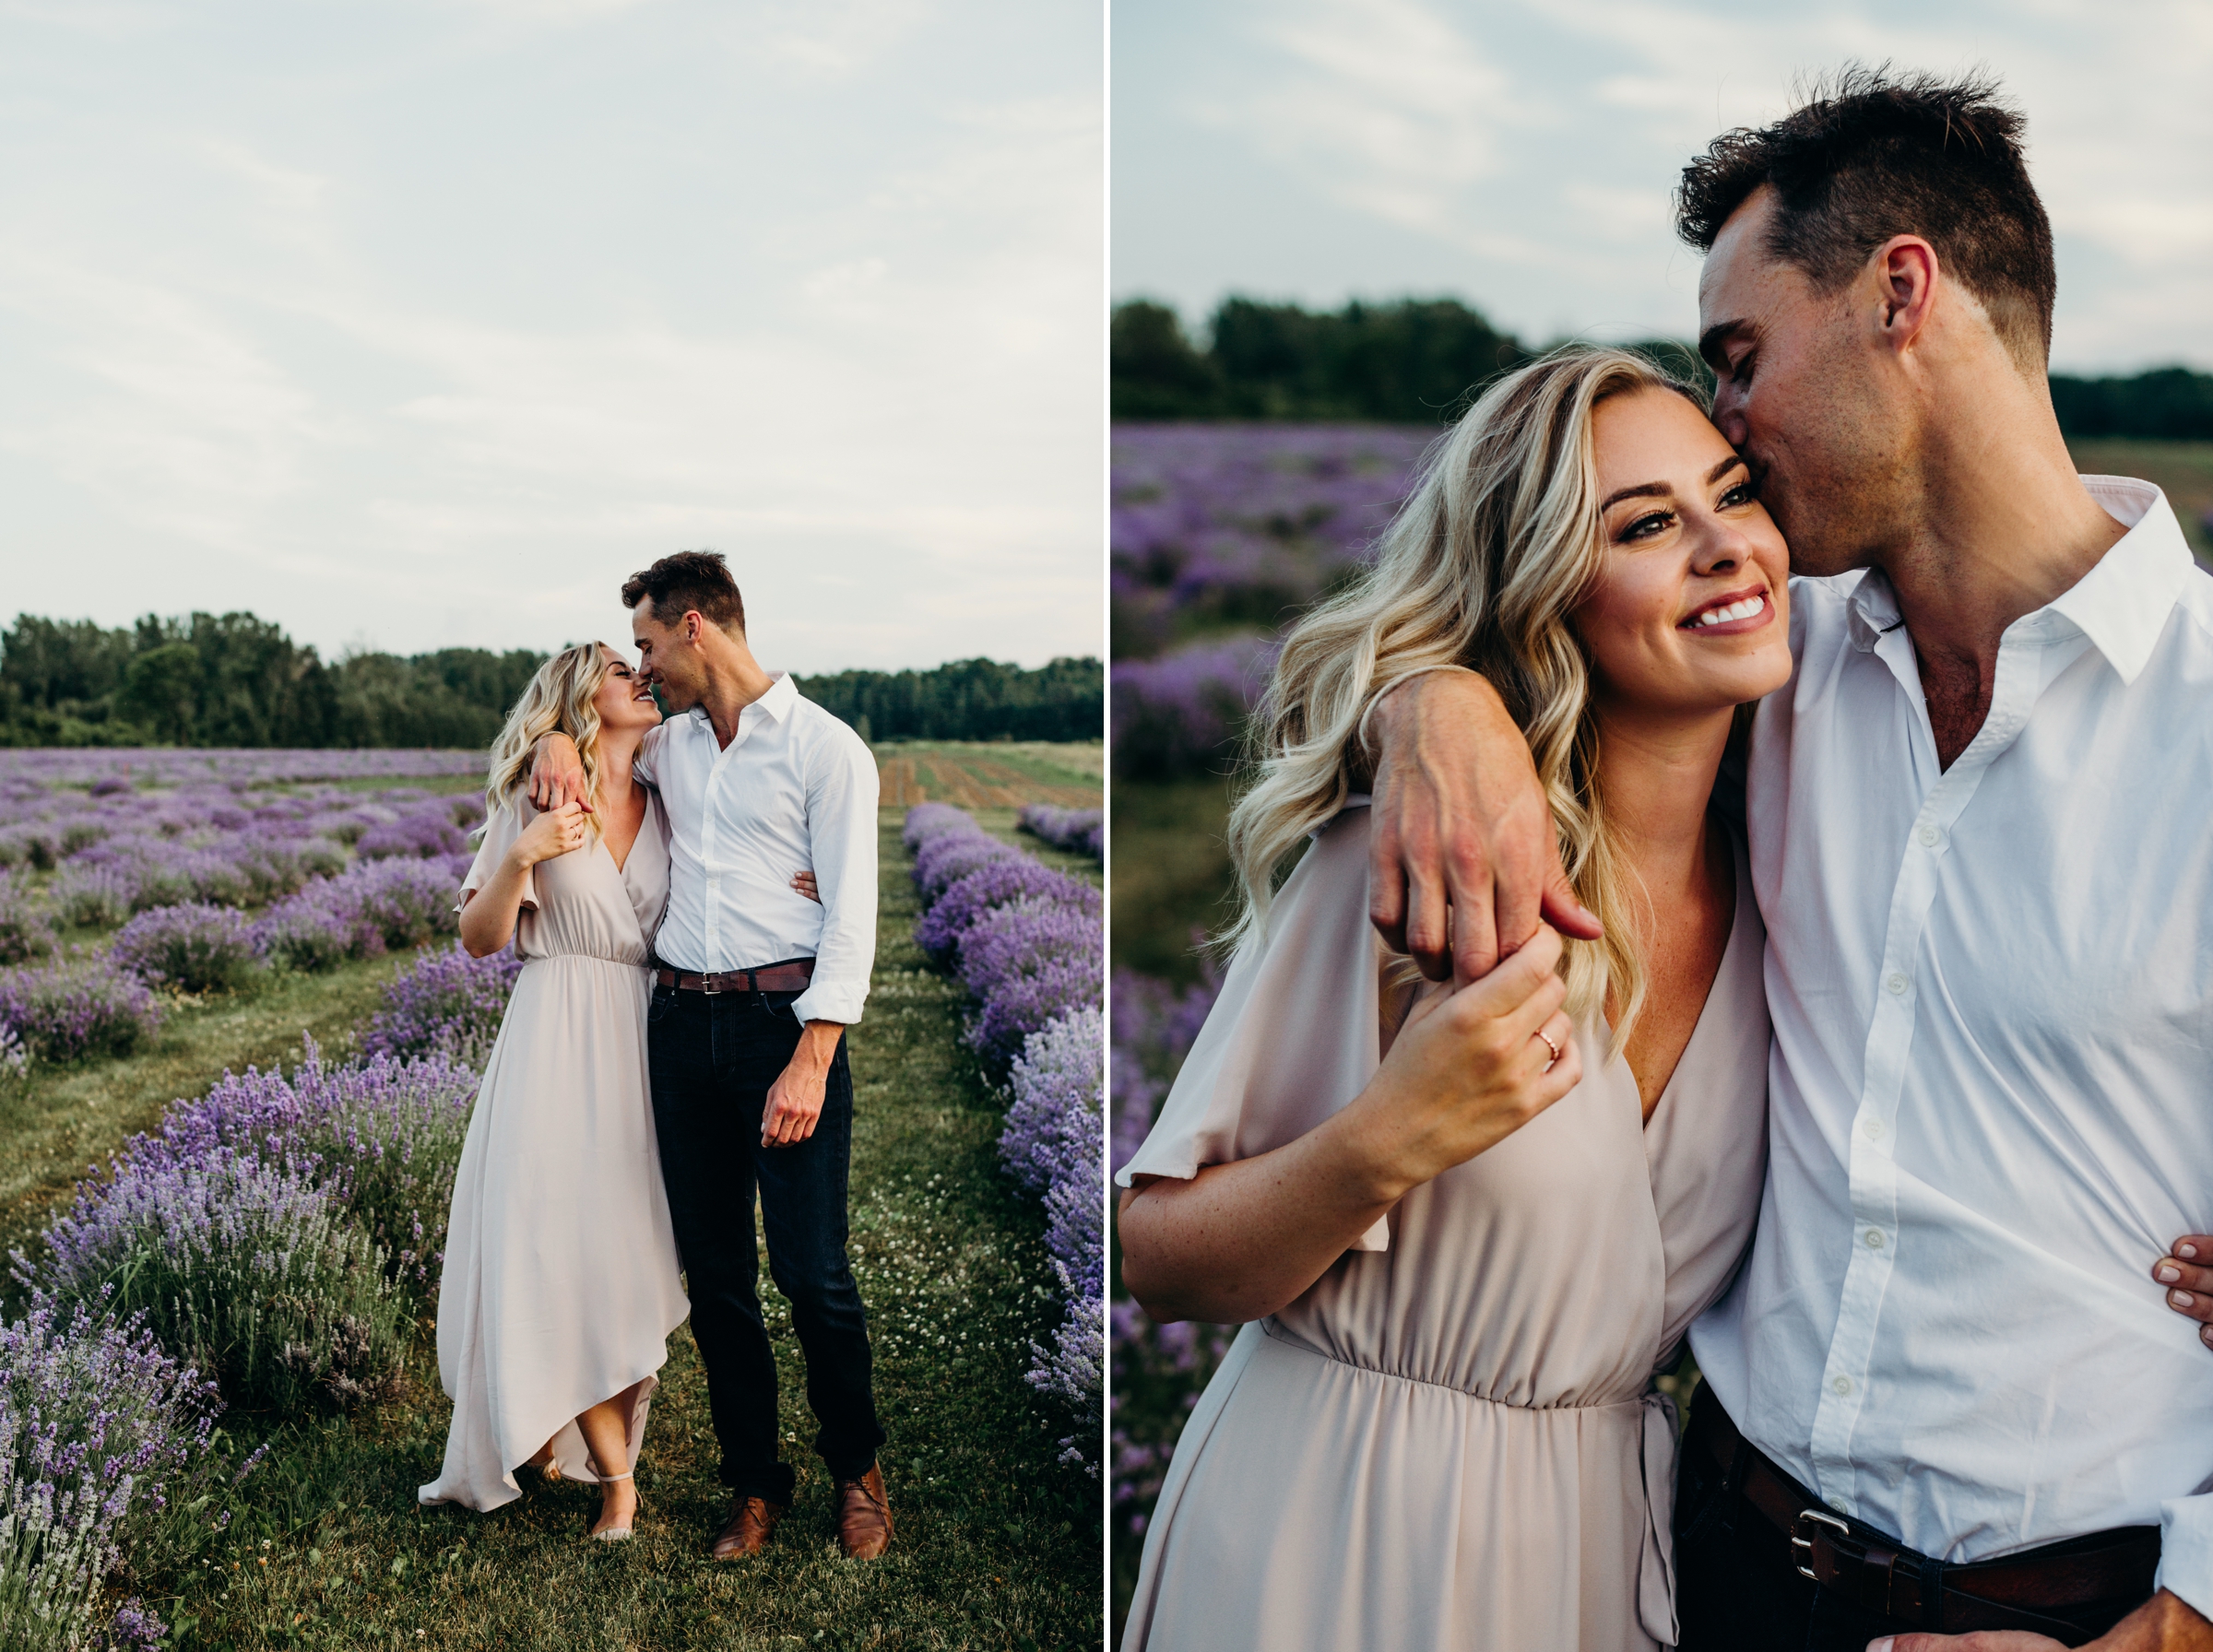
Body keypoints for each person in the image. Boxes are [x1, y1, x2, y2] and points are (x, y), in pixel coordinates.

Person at [1359, 70, 2213, 1650]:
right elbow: (1475, 608)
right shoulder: (1774, 663)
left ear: (1902, 292)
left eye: (1742, 359)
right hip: (1717, 1555)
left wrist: (2178, 1629)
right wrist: (1435, 700)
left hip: (2067, 1617)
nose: (1726, 422)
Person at [1118, 345, 1793, 1649]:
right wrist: (1386, 1142)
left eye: (1736, 493)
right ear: (1546, 591)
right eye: (1648, 524)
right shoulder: (1413, 861)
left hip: (1591, 1557)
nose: (1725, 547)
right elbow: (1160, 1256)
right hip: (1332, 1537)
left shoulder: (1800, 894)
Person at [528, 550, 893, 1563]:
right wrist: (558, 735)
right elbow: (589, 742)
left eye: (648, 646)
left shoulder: (828, 750)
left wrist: (813, 1057)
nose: (642, 671)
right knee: (721, 1278)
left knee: (813, 1274)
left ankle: (856, 1471)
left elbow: (852, 923)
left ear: (696, 628)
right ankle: (753, 1486)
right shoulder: (671, 748)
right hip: (682, 1032)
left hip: (785, 1027)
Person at [419, 642, 691, 1540]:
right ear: (583, 697)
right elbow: (479, 938)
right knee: (548, 1251)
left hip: (640, 1040)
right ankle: (617, 1481)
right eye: (622, 670)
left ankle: (572, 1430)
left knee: (624, 1260)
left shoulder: (671, 799)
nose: (641, 678)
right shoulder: (533, 798)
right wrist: (525, 853)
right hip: (551, 1038)